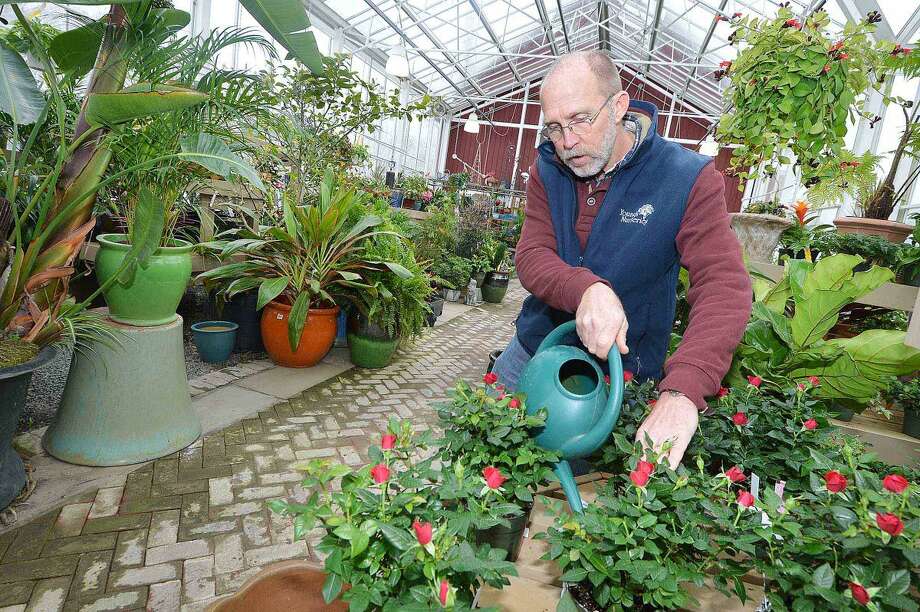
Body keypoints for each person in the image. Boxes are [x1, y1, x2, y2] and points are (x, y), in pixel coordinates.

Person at [491, 50, 752, 469]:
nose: (567, 141)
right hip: (535, 350)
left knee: (579, 494)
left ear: (618, 106)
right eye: (555, 127)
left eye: (579, 120)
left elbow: (724, 285)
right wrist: (586, 288)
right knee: (485, 465)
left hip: (620, 374)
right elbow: (532, 254)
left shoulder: (686, 179)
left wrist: (682, 391)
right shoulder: (548, 169)